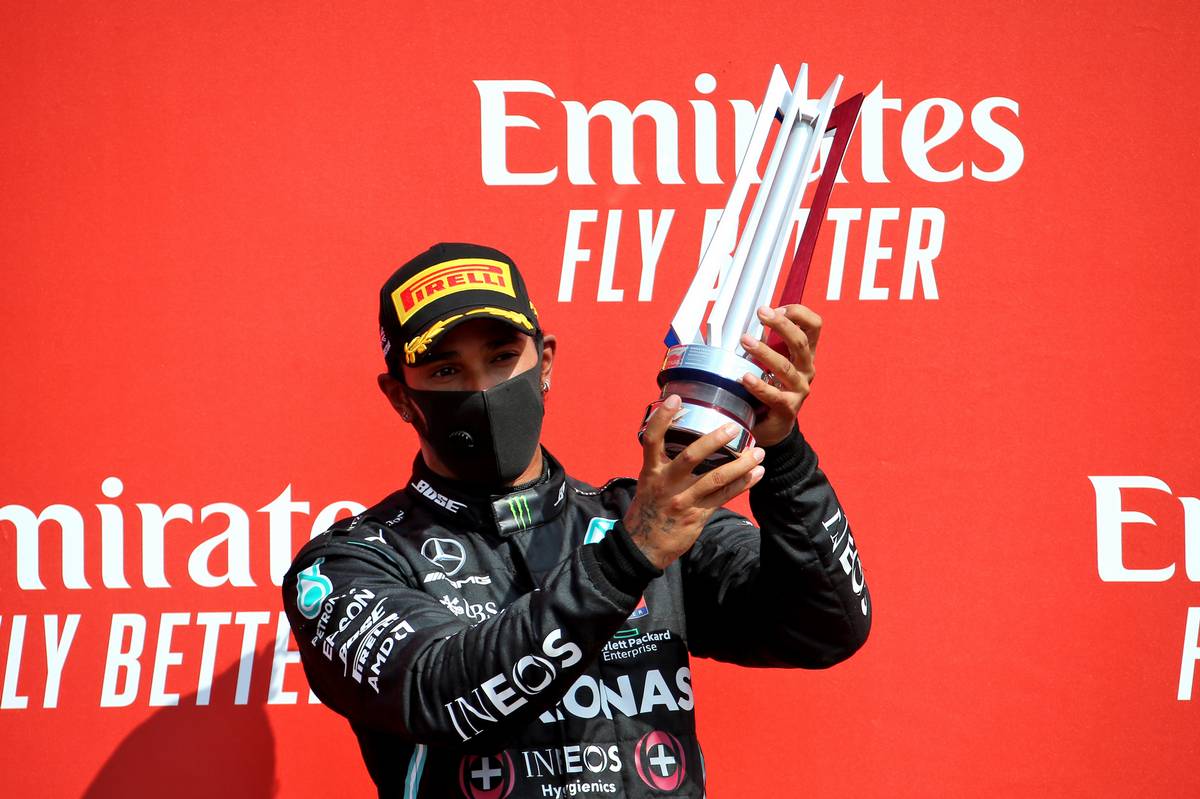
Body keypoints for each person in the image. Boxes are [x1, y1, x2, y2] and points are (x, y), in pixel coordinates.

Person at [283, 242, 870, 798]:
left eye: (501, 357)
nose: (483, 389)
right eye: (445, 371)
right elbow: (443, 695)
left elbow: (824, 627)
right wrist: (625, 560)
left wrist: (785, 456)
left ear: (546, 363)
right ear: (399, 397)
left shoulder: (645, 517)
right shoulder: (347, 565)